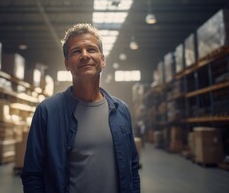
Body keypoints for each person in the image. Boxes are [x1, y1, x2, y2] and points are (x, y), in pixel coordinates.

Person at [21, 23, 140, 193]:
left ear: (103, 60)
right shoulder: (47, 112)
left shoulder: (121, 111)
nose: (85, 55)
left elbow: (133, 168)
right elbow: (32, 175)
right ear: (67, 63)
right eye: (76, 51)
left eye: (91, 49)